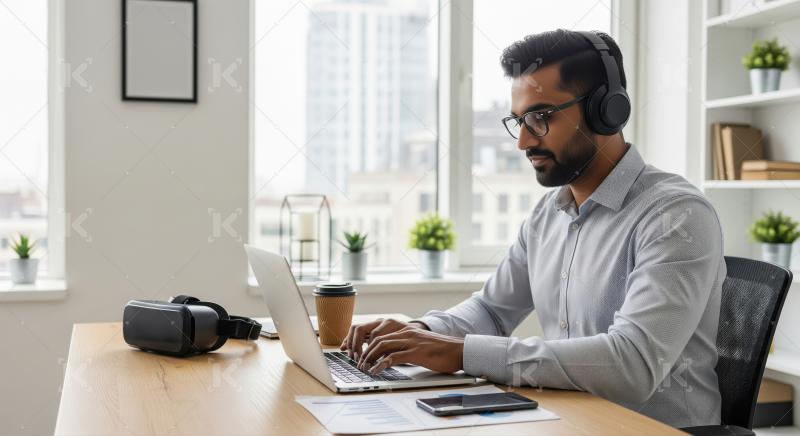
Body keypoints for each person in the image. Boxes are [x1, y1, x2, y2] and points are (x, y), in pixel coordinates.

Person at [340, 29, 725, 428]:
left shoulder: (675, 215)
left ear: (606, 110)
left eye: (541, 118)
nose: (523, 141)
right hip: (566, 420)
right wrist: (418, 332)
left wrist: (461, 353)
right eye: (519, 120)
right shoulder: (548, 214)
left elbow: (633, 365)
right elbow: (491, 309)